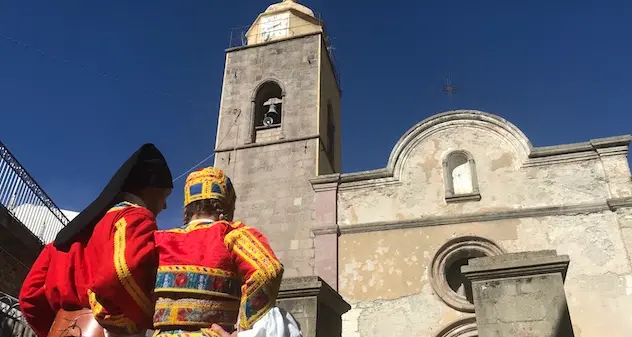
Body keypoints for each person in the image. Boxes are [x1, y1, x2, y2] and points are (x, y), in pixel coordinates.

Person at [18, 143, 173, 337]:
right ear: (150, 188)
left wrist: (57, 329)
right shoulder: (134, 218)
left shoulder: (67, 236)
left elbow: (29, 296)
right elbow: (120, 275)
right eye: (165, 195)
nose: (165, 205)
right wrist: (151, 318)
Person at [152, 167, 300, 337]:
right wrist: (246, 329)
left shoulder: (160, 239)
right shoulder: (231, 234)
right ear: (226, 205)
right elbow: (267, 270)